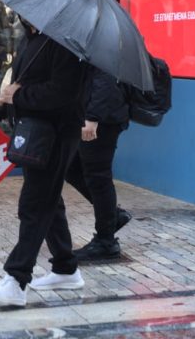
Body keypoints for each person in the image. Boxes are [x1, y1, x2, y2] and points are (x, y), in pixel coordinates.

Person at [0, 18, 86, 307]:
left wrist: (19, 95)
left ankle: (16, 279)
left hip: (58, 134)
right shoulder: (31, 39)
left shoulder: (66, 43)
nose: (18, 14)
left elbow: (63, 93)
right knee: (49, 201)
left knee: (35, 204)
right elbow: (17, 83)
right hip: (33, 130)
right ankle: (66, 268)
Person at [65, 66, 132, 261]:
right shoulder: (92, 41)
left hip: (102, 120)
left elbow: (106, 80)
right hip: (89, 114)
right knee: (71, 168)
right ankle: (113, 216)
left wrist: (93, 117)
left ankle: (106, 243)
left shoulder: (105, 44)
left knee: (98, 178)